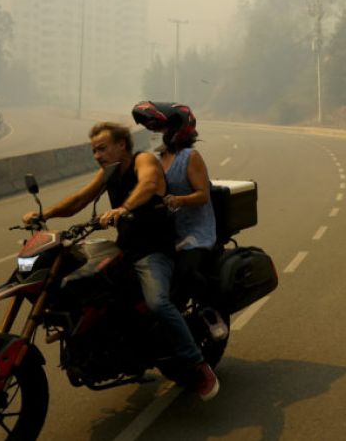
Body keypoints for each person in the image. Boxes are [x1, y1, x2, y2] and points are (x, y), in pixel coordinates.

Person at [20, 121, 219, 400]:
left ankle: (196, 363)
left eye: (102, 148)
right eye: (94, 151)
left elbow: (149, 184)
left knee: (158, 303)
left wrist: (123, 208)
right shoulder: (109, 173)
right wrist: (45, 216)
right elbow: (79, 200)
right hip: (124, 249)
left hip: (154, 251)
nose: (97, 156)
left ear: (121, 145)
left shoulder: (144, 160)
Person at [131, 101, 227, 339]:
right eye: (151, 129)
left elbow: (202, 195)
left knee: (183, 272)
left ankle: (209, 311)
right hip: (167, 232)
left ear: (176, 130)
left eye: (158, 129)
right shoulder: (153, 160)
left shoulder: (189, 157)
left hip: (195, 233)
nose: (153, 134)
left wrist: (178, 201)